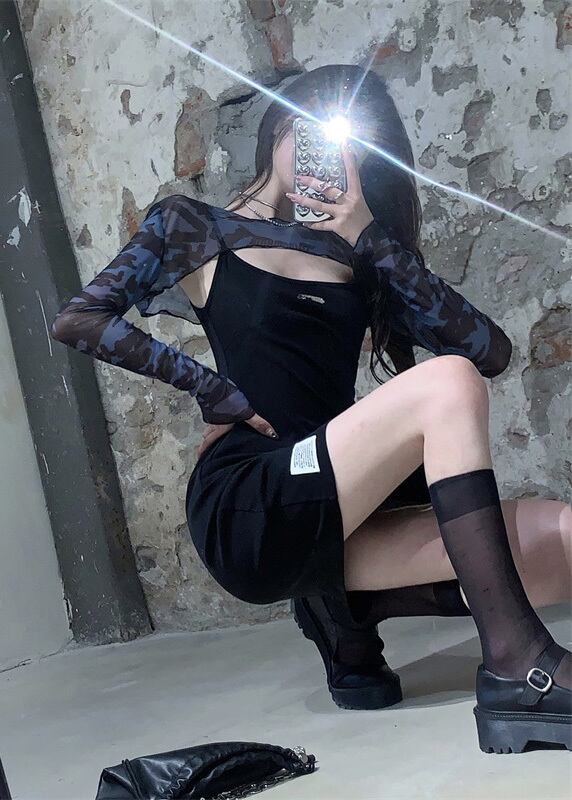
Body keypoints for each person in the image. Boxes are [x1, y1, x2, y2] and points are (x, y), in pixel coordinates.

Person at [50, 64, 571, 754]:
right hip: (254, 497)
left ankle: (342, 609)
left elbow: (490, 350)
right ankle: (517, 664)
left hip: (345, 497)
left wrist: (367, 233)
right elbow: (80, 318)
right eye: (314, 123)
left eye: (344, 137)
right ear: (280, 122)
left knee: (566, 540)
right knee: (446, 383)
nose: (323, 146)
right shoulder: (196, 226)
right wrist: (211, 389)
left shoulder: (355, 249)